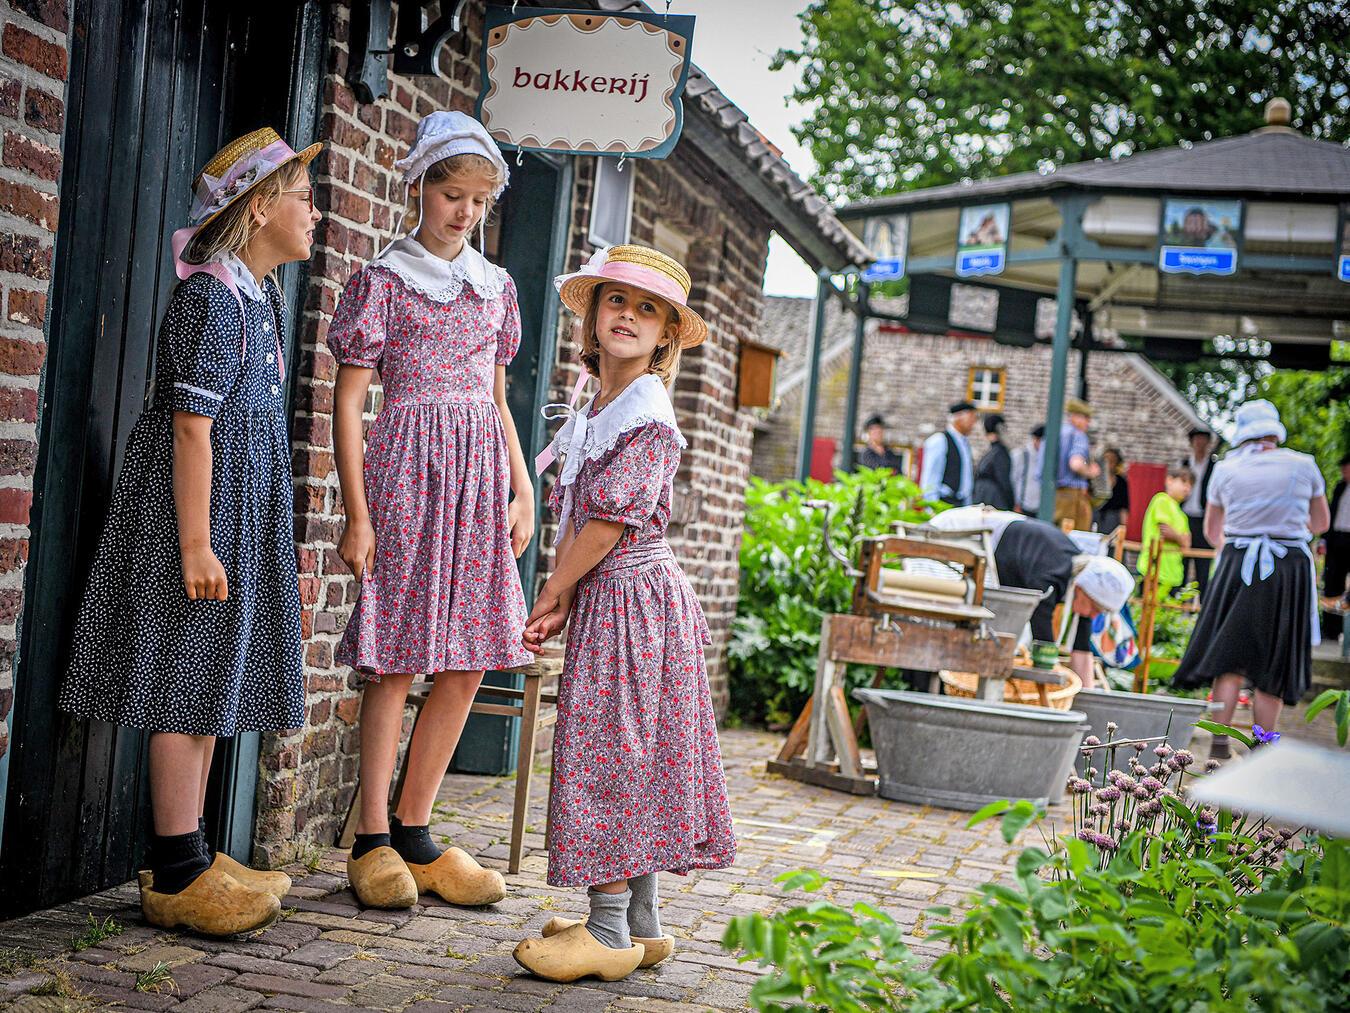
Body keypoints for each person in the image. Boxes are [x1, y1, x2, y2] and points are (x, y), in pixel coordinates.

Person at [58, 128, 321, 936]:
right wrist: (196, 541)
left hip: (236, 507)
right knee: (186, 670)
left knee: (212, 676)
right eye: (303, 197)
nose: (316, 212)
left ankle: (199, 852)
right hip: (197, 513)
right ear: (258, 209)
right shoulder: (210, 298)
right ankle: (174, 867)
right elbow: (190, 430)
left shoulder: (259, 296)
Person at [513, 245, 736, 983]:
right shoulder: (601, 404)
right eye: (618, 301)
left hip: (632, 597)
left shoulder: (645, 412)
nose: (629, 317)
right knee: (628, 750)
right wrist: (567, 589)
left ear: (668, 334)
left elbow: (607, 523)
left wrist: (554, 592)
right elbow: (584, 516)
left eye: (649, 310)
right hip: (618, 595)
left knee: (608, 748)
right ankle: (640, 921)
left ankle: (605, 930)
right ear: (594, 312)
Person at [328, 112, 533, 911]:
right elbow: (350, 404)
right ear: (421, 186)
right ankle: (372, 836)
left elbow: (495, 395)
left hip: (480, 477)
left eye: (479, 201)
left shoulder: (495, 287)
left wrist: (522, 488)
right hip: (408, 471)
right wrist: (358, 511)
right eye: (453, 195)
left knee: (473, 652)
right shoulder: (383, 279)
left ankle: (417, 828)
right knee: (398, 653)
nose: (464, 212)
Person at [1174, 400, 1330, 756]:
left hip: (1237, 563)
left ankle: (1218, 741)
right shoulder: (1303, 465)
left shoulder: (1226, 470)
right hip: (1287, 566)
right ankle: (1261, 747)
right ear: (1275, 431)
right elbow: (1320, 524)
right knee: (1273, 658)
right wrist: (1283, 529)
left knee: (1229, 655)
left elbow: (1214, 532)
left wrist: (1245, 534)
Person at [992, 519, 1134, 689]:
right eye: (1096, 608)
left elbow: (1082, 649)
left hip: (1014, 562)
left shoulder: (1080, 586)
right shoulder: (1049, 581)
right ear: (1082, 590)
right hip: (984, 540)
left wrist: (1086, 697)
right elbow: (1044, 651)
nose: (1095, 615)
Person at [1137, 466, 1194, 598]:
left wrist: (1177, 537)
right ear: (1169, 480)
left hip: (1173, 575)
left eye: (1190, 485)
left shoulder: (1182, 515)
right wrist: (1180, 538)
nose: (1187, 488)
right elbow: (1165, 531)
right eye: (1184, 482)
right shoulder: (1161, 499)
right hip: (1153, 570)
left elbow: (1187, 544)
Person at [1051, 398, 1100, 531]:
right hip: (1072, 496)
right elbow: (1076, 464)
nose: (1088, 423)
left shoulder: (1056, 432)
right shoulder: (1078, 435)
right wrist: (1090, 471)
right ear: (1075, 417)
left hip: (1054, 495)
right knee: (1075, 538)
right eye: (1086, 418)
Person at [1180, 427, 1218, 599]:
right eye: (1197, 441)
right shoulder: (1185, 464)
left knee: (1203, 563)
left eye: (1203, 441)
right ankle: (1180, 601)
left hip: (1204, 517)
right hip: (1185, 515)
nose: (1200, 445)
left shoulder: (1214, 466)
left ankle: (1202, 603)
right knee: (1183, 560)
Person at [919, 401, 977, 506]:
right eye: (971, 418)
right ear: (958, 417)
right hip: (943, 502)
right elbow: (930, 478)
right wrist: (931, 507)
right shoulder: (940, 440)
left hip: (960, 504)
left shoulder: (965, 444)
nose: (973, 423)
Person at [1319, 452, 1350, 642]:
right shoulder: (1340, 487)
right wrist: (1324, 540)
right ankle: (1330, 629)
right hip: (1337, 539)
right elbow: (1329, 514)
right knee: (1332, 581)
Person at [972, 413, 1014, 510]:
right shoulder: (998, 452)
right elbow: (1005, 482)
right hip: (991, 498)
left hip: (987, 498)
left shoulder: (995, 453)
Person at [1095, 447, 1130, 535]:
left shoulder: (1121, 482)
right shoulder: (1096, 478)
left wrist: (1123, 526)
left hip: (1113, 517)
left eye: (1112, 460)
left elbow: (1124, 506)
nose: (1108, 463)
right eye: (1106, 459)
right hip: (1096, 514)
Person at [1011, 423, 1044, 515]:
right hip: (1022, 506)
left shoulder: (1047, 459)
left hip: (1039, 508)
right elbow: (1013, 480)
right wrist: (1015, 503)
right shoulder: (1020, 455)